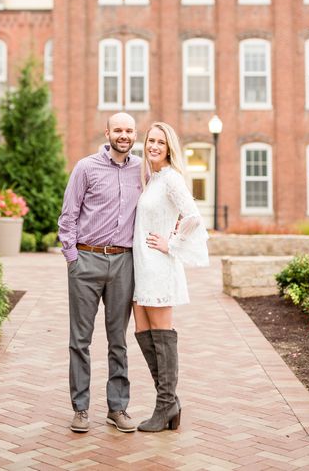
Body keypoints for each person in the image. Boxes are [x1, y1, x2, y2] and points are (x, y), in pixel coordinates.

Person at [58, 112, 142, 434]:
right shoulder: (86, 167)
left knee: (118, 340)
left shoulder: (140, 170)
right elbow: (68, 215)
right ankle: (80, 409)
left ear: (135, 135)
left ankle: (117, 408)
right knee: (80, 340)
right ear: (107, 132)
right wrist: (72, 259)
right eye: (118, 129)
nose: (124, 134)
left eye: (129, 130)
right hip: (87, 261)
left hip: (124, 263)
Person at [132, 121, 209, 432]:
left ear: (169, 148)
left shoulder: (171, 179)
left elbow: (192, 216)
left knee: (162, 334)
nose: (153, 146)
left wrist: (171, 243)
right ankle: (170, 402)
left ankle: (165, 405)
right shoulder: (153, 178)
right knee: (141, 330)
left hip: (159, 266)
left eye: (160, 143)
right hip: (142, 267)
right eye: (150, 140)